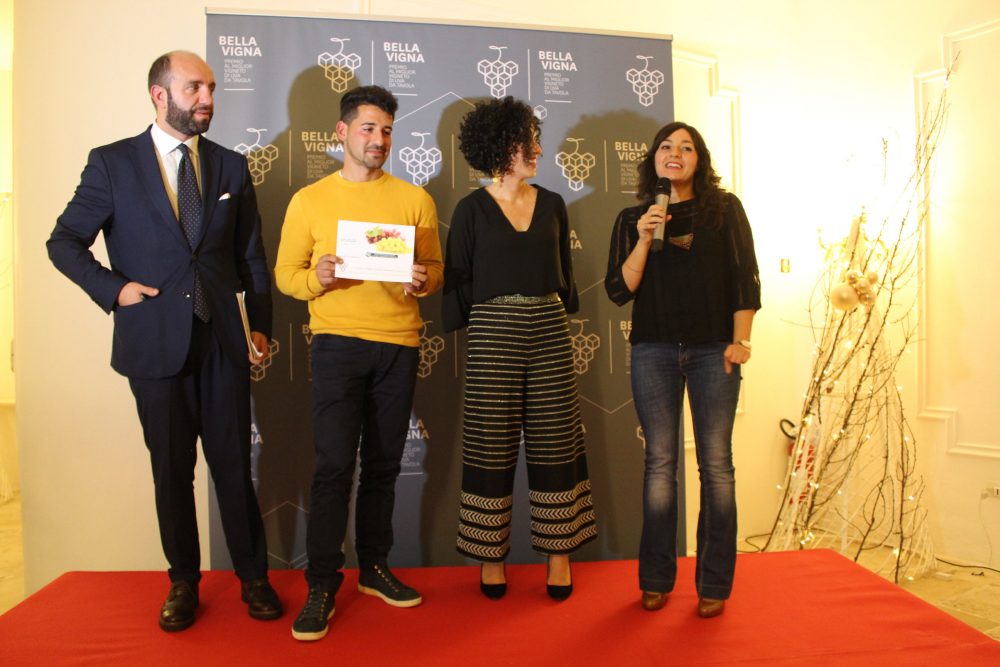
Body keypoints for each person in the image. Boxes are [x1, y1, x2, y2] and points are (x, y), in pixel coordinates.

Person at [47, 51, 281, 632]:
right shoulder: (112, 164)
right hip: (153, 346)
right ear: (160, 94)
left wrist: (259, 325)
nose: (208, 98)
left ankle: (254, 578)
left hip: (223, 343)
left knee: (234, 467)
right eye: (195, 87)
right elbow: (64, 242)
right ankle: (183, 582)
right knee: (172, 472)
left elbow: (251, 256)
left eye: (212, 88)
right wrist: (114, 289)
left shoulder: (230, 166)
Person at [274, 85, 443, 642]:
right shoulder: (309, 200)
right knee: (332, 467)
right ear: (342, 132)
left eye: (387, 130)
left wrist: (423, 279)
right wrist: (316, 278)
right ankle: (322, 583)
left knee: (385, 465)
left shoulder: (415, 200)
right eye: (369, 128)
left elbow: (435, 270)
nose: (379, 139)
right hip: (337, 345)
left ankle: (374, 567)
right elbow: (285, 275)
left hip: (399, 343)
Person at [443, 97, 597, 602]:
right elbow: (459, 283)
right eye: (530, 140)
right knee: (490, 444)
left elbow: (564, 277)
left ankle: (559, 555)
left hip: (549, 330)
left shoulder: (553, 204)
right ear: (504, 144)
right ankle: (491, 558)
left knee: (556, 442)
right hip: (492, 335)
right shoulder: (470, 210)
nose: (539, 150)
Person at [604, 121, 760, 618]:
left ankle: (714, 583)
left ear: (699, 160)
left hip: (715, 352)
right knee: (659, 466)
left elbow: (745, 277)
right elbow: (619, 290)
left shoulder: (724, 210)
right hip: (653, 352)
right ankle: (655, 579)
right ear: (654, 158)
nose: (676, 153)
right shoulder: (634, 218)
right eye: (667, 146)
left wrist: (740, 341)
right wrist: (645, 238)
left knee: (717, 466)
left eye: (687, 147)